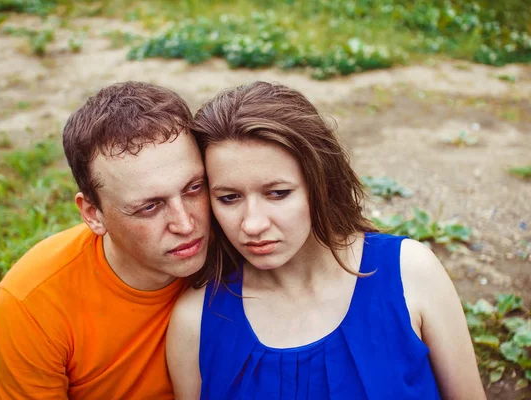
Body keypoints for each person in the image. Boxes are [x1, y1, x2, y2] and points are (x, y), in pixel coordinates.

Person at [167, 81, 486, 399]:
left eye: (278, 193)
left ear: (321, 182)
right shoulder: (196, 320)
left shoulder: (412, 275)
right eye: (229, 197)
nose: (252, 224)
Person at [0, 81, 210, 399]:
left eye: (193, 188)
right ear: (93, 214)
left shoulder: (244, 243)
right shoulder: (33, 301)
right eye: (149, 206)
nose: (186, 224)